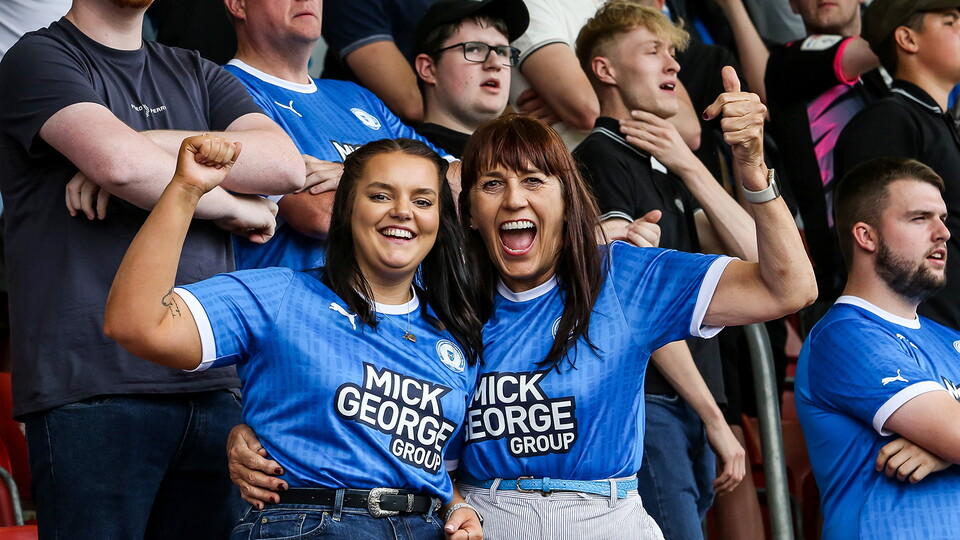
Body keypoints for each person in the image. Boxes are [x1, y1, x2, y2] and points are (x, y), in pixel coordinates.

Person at [228, 70, 817, 539]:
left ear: (568, 198)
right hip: (485, 517)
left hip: (605, 518)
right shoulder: (432, 302)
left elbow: (789, 289)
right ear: (471, 213)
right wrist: (253, 438)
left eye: (536, 181)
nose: (514, 199)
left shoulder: (625, 277)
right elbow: (333, 381)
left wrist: (753, 172)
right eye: (492, 185)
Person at [0, 0, 304, 537]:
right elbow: (117, 167)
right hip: (91, 387)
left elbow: (283, 164)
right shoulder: (37, 57)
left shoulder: (196, 69)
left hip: (212, 380)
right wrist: (235, 205)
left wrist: (148, 145)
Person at [104, 135, 485, 540]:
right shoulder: (281, 295)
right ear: (345, 209)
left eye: (423, 201)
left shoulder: (456, 332)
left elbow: (440, 466)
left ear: (441, 219)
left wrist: (458, 506)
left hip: (424, 528)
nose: (403, 211)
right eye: (380, 195)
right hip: (310, 523)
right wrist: (185, 189)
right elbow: (137, 324)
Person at [572, 4, 755, 537]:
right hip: (646, 402)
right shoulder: (599, 160)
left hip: (685, 404)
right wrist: (716, 419)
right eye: (653, 51)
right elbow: (632, 306)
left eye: (673, 53)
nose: (671, 65)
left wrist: (692, 165)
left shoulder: (663, 167)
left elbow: (765, 261)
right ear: (605, 70)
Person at [795, 157, 960, 540]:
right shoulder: (844, 336)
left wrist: (941, 453)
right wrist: (951, 442)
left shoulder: (949, 339)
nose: (943, 233)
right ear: (866, 236)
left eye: (943, 218)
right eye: (920, 218)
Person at [223, 0, 452, 271]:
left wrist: (351, 173)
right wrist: (414, 190)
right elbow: (320, 214)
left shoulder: (356, 95)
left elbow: (462, 184)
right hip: (303, 303)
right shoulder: (225, 90)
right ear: (238, 5)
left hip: (403, 305)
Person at [834, 0, 960, 331]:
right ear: (907, 39)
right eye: (951, 21)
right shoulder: (888, 121)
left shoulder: (938, 123)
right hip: (921, 340)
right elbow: (879, 251)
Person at [765, 0, 885, 304]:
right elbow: (879, 46)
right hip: (848, 275)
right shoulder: (787, 61)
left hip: (927, 248)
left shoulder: (887, 70)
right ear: (792, 5)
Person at [412, 0, 529, 158]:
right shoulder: (409, 163)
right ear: (428, 69)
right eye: (474, 49)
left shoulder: (525, 159)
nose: (495, 63)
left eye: (502, 52)